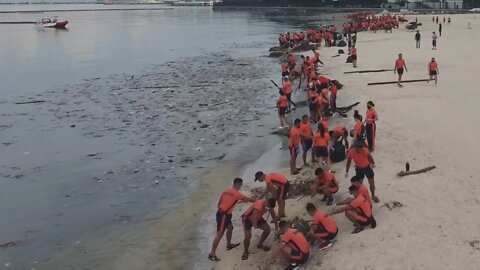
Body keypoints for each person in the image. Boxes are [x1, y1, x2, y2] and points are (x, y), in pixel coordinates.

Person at [209, 178, 255, 261]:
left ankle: (229, 245)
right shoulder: (237, 194)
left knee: (230, 227)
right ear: (238, 184)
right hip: (224, 216)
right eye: (240, 185)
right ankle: (212, 254)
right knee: (219, 234)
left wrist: (223, 210)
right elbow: (246, 200)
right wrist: (257, 201)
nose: (240, 187)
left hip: (222, 213)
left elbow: (219, 202)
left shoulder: (226, 190)